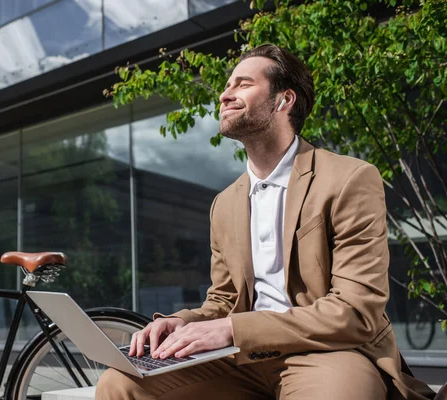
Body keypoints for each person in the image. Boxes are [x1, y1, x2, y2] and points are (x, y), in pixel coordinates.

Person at [96, 44, 435, 400]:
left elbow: (354, 312)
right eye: (227, 86)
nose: (225, 95)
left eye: (242, 84)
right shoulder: (224, 203)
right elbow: (225, 300)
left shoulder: (349, 178)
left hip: (329, 352)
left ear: (283, 100)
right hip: (241, 357)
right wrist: (184, 321)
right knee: (120, 384)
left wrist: (232, 329)